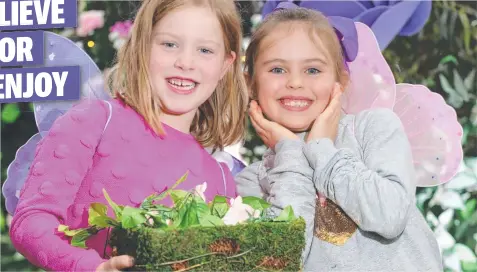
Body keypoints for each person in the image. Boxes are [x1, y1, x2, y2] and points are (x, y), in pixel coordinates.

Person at [9, 0, 247, 271]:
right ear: (142, 46)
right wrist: (93, 267)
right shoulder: (95, 121)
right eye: (169, 44)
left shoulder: (222, 180)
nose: (185, 62)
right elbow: (31, 220)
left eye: (205, 50)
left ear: (226, 64)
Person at [235, 5, 443, 271]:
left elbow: (390, 216)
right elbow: (282, 258)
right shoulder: (251, 183)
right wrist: (290, 153)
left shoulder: (373, 128)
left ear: (341, 81)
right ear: (250, 82)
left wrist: (322, 149)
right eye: (277, 70)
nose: (295, 82)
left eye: (312, 70)